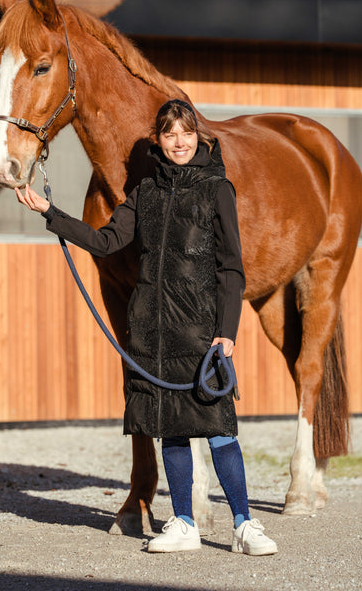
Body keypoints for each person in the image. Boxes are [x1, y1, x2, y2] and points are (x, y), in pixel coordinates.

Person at [16, 99, 277, 556]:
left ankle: (244, 523)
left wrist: (227, 330)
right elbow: (106, 240)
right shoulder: (143, 194)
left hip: (201, 331)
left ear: (197, 136)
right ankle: (183, 524)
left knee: (219, 429)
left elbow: (232, 269)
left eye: (186, 133)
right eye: (170, 134)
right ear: (159, 140)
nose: (179, 142)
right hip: (153, 332)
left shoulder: (218, 189)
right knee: (170, 429)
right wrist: (49, 212)